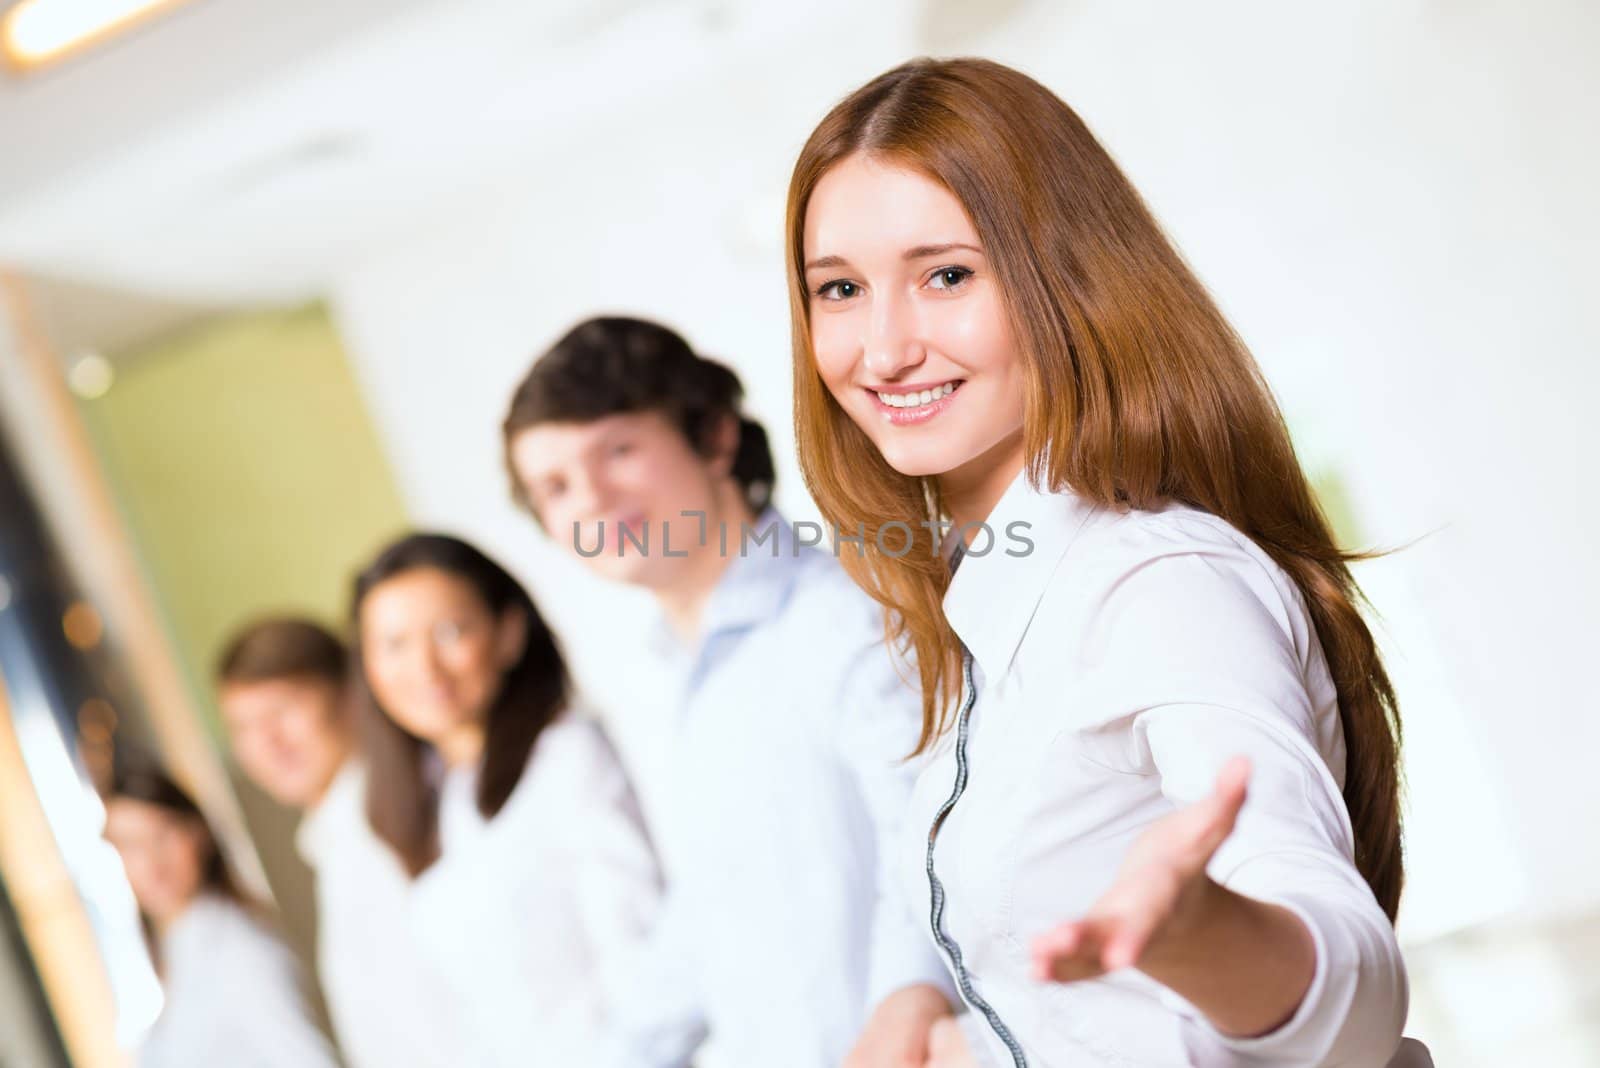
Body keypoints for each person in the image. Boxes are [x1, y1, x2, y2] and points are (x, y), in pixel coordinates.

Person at [787, 57, 1422, 1067]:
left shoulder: (1157, 581)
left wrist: (1203, 936)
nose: (883, 347)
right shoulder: (987, 607)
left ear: (1064, 275)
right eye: (839, 290)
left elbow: (1352, 993)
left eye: (946, 275)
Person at [502, 316, 954, 1067]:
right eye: (554, 485)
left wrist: (906, 1006)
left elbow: (933, 837)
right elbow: (709, 909)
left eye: (616, 451)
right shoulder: (662, 675)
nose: (592, 498)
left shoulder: (850, 613)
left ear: (714, 439)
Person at [350, 531, 661, 1067]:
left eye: (449, 632)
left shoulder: (568, 758)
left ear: (509, 634)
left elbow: (642, 961)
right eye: (394, 645)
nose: (424, 669)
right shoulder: (437, 800)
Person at [216, 617, 461, 1067]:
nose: (269, 742)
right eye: (244, 727)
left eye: (285, 709)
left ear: (350, 698)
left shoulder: (403, 821)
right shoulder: (332, 843)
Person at [103, 766, 340, 1068]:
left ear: (198, 833)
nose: (151, 862)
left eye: (162, 834)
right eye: (129, 845)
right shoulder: (175, 958)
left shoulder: (240, 949)